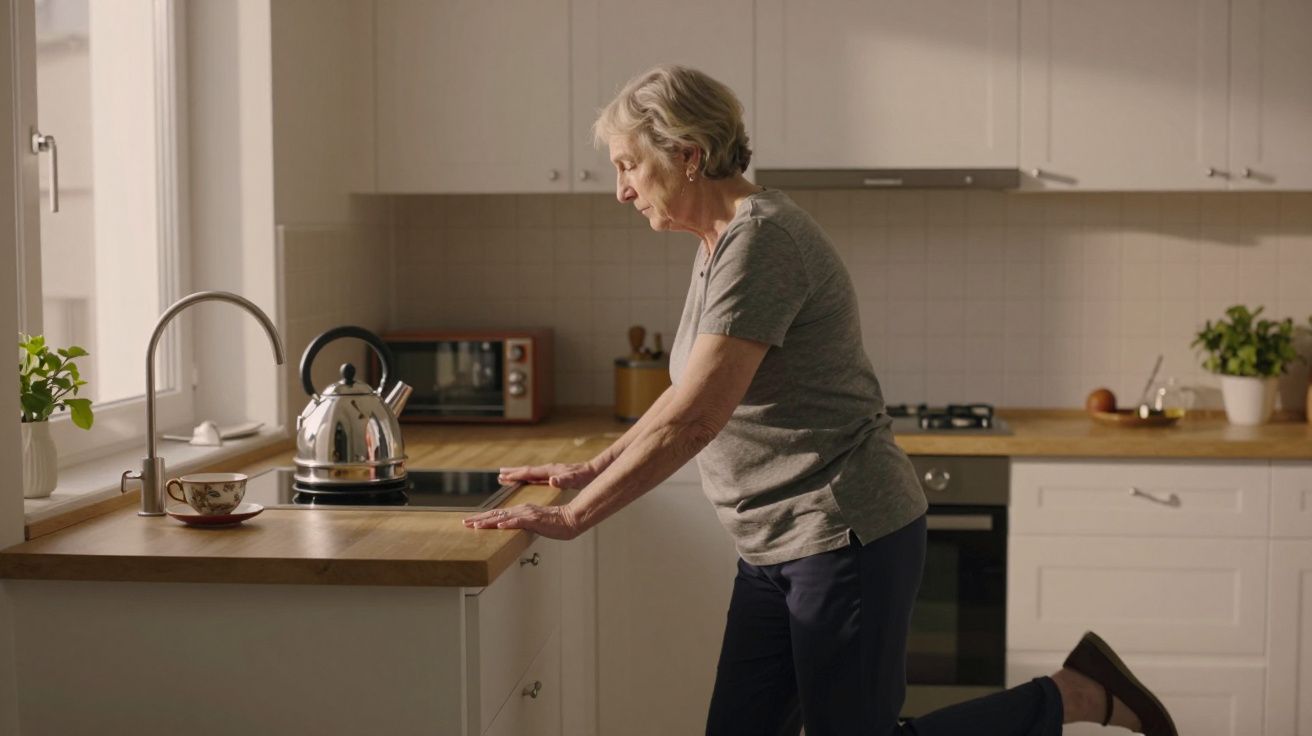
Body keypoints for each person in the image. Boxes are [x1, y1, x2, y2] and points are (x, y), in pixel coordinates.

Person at [463, 65, 1177, 736]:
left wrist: (577, 516)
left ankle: (1073, 694)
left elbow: (697, 421)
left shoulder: (762, 241)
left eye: (627, 165)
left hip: (843, 533)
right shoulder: (715, 243)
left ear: (687, 153)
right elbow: (684, 394)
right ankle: (1074, 690)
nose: (620, 189)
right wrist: (589, 470)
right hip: (772, 544)